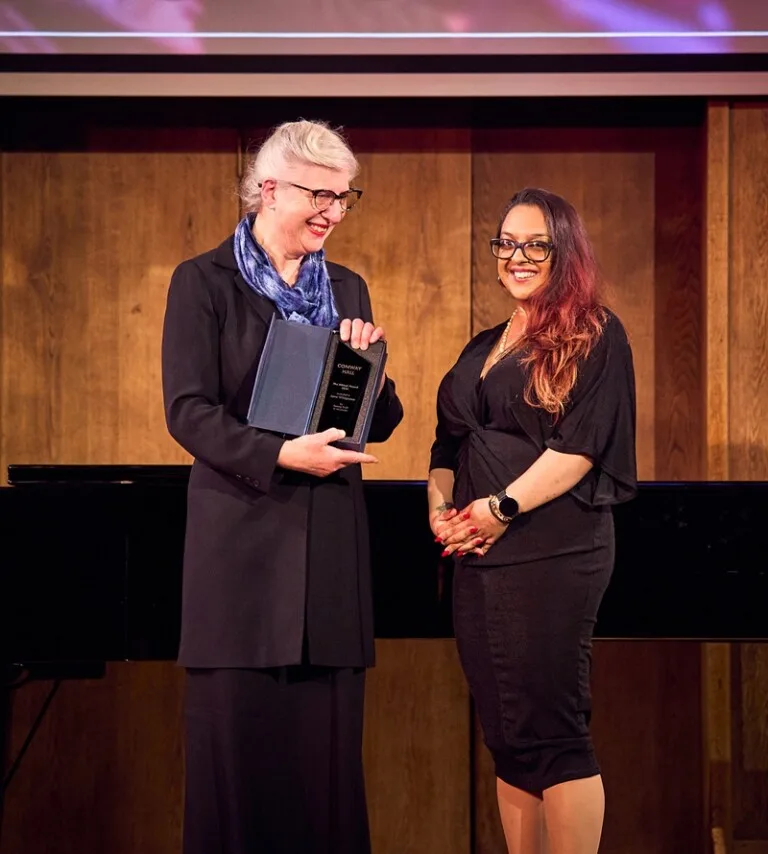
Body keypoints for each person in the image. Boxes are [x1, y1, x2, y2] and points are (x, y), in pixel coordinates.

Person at [161, 119, 403, 854]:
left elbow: (378, 421)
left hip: (327, 561)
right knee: (237, 777)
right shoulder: (203, 282)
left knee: (324, 782)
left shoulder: (349, 286)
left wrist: (369, 367)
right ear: (269, 189)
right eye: (319, 195)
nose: (332, 211)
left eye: (343, 197)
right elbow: (188, 411)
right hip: (241, 556)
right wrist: (279, 455)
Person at [428, 188, 637, 854]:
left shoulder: (597, 333)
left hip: (553, 552)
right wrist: (440, 509)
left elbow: (580, 448)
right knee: (508, 737)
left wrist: (500, 508)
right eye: (506, 243)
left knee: (554, 733)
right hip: (477, 558)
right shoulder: (484, 344)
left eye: (535, 244)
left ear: (564, 250)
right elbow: (446, 446)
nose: (517, 257)